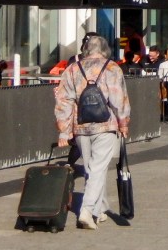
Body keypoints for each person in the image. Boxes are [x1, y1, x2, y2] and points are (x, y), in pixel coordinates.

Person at [54, 34, 130, 230]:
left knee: (91, 169)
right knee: (97, 169)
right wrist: (124, 123)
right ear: (105, 49)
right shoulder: (112, 68)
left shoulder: (72, 69)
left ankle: (100, 209)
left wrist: (64, 131)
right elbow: (118, 98)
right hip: (105, 126)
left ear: (86, 49)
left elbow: (63, 101)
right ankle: (87, 211)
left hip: (81, 128)